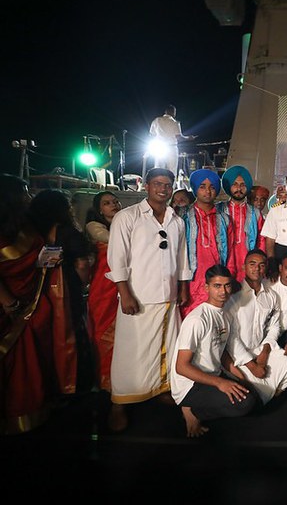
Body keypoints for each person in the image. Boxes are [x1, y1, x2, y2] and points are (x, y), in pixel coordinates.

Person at [106, 167, 192, 431]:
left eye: (167, 185)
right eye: (157, 184)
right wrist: (125, 292)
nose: (163, 189)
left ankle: (159, 389)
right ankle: (119, 403)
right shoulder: (127, 217)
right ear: (146, 186)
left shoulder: (176, 220)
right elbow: (116, 258)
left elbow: (181, 256)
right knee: (129, 352)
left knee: (166, 347)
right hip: (138, 296)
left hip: (167, 296)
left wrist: (183, 286)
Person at [170, 264, 258, 438]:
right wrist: (221, 383)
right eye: (217, 286)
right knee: (244, 404)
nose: (223, 291)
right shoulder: (197, 319)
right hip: (190, 384)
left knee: (252, 394)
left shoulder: (224, 314)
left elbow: (220, 351)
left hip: (212, 376)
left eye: (226, 285)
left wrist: (241, 378)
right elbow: (181, 367)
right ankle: (192, 411)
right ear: (207, 288)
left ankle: (204, 403)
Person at [0, 174, 55, 434]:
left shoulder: (26, 224)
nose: (28, 196)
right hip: (9, 307)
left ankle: (27, 413)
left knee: (28, 365)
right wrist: (9, 302)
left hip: (31, 300)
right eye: (22, 191)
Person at [29, 189, 94, 395]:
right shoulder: (68, 232)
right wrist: (84, 285)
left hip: (36, 289)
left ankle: (50, 384)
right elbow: (82, 264)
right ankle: (75, 384)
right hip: (66, 288)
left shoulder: (29, 231)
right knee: (72, 331)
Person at [225, 249, 287, 405]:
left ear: (266, 269)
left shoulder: (271, 296)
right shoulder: (233, 296)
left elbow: (274, 326)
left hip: (260, 350)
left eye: (261, 265)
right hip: (239, 356)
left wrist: (265, 352)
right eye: (252, 264)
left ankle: (268, 392)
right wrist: (252, 366)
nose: (257, 269)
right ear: (244, 267)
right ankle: (264, 393)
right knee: (252, 390)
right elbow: (231, 337)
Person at [180, 169, 236, 317]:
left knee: (215, 319)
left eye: (212, 187)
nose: (207, 191)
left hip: (217, 279)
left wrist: (229, 277)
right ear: (195, 189)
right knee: (191, 321)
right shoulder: (184, 217)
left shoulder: (224, 219)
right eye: (202, 186)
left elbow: (230, 251)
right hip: (192, 279)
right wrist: (182, 284)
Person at [85, 191, 122, 391]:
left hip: (121, 286)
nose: (113, 205)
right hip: (103, 287)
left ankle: (121, 378)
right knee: (103, 333)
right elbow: (115, 241)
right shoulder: (94, 227)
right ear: (99, 209)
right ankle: (104, 380)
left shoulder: (124, 224)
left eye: (115, 201)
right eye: (107, 203)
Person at [217, 165, 261, 283]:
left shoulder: (255, 213)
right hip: (224, 260)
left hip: (247, 262)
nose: (239, 188)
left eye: (242, 185)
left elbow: (261, 240)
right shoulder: (218, 210)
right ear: (229, 187)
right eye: (235, 184)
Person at [148, 104, 197, 178]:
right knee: (171, 170)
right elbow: (179, 137)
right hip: (171, 148)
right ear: (173, 112)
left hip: (159, 148)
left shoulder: (157, 120)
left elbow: (151, 135)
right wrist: (189, 138)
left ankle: (157, 186)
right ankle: (171, 188)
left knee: (158, 169)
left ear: (165, 112)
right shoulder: (175, 123)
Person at [249, 185, 270, 251]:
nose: (259, 203)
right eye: (255, 200)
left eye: (262, 200)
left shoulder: (266, 218)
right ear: (249, 201)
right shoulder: (245, 217)